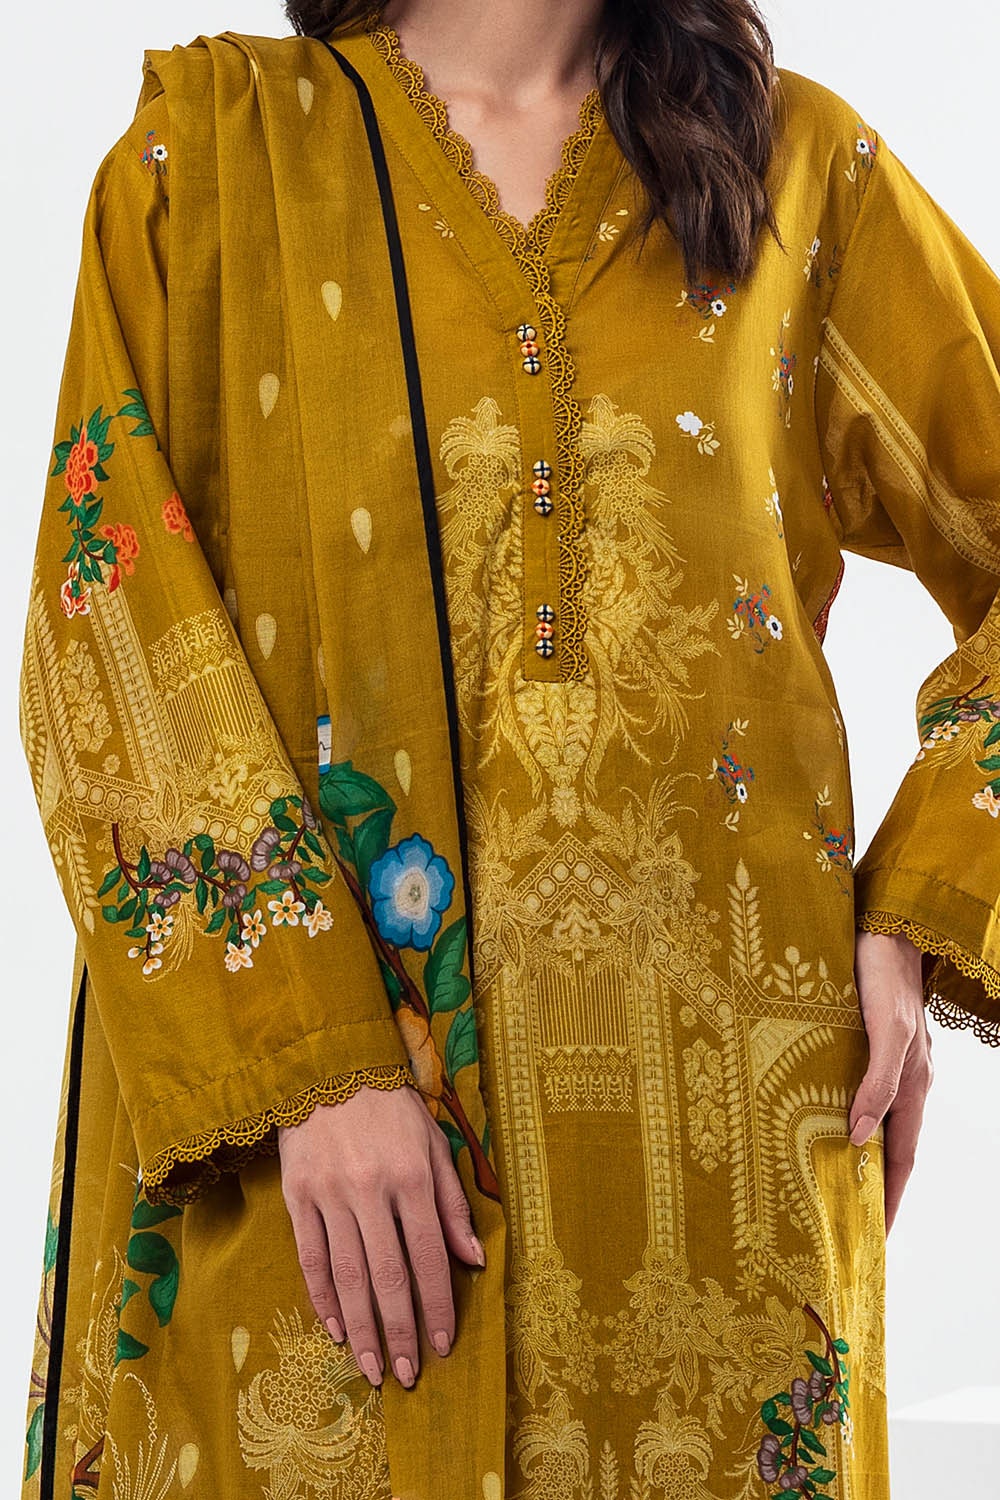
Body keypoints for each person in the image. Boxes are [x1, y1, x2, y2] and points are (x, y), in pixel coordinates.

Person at [17, 0, 1000, 1495]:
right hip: (322, 1199)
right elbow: (108, 613)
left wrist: (921, 907)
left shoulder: (798, 172)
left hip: (724, 1207)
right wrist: (314, 1069)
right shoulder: (206, 166)